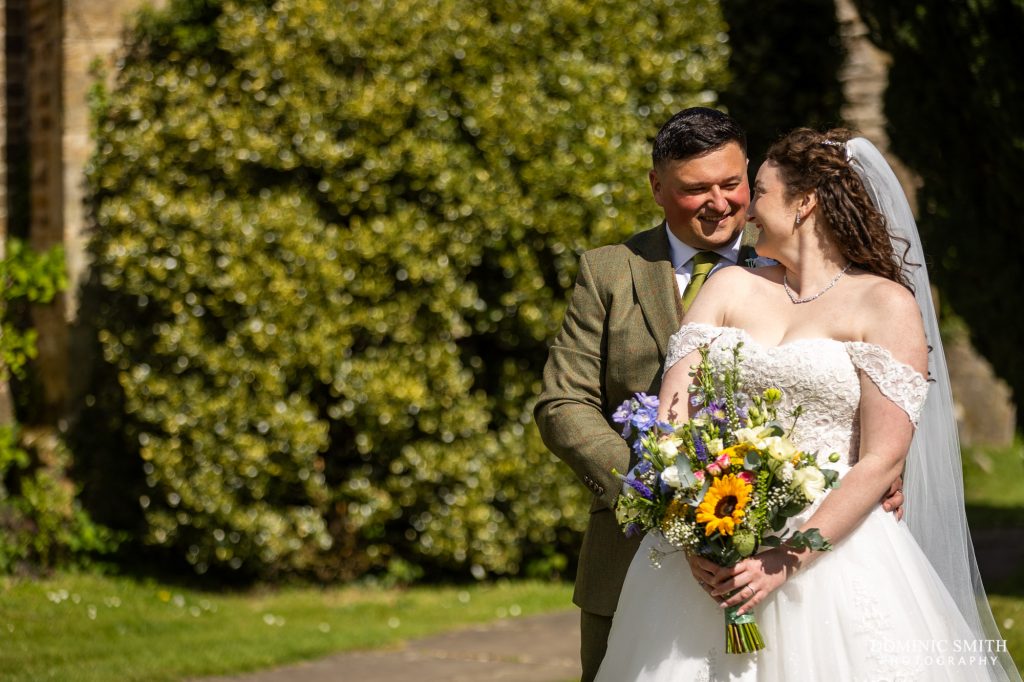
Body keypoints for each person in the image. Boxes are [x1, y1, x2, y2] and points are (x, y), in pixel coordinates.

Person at [592, 129, 1021, 681]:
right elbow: (671, 424)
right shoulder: (726, 286)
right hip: (704, 550)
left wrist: (784, 559)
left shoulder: (884, 304)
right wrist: (694, 536)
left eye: (760, 193)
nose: (747, 212)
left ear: (806, 203)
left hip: (833, 553)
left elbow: (882, 459)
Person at [534, 108, 904, 682]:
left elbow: (874, 382)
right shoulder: (610, 271)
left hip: (804, 550)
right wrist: (662, 498)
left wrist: (876, 464)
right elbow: (563, 404)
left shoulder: (793, 257)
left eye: (733, 183)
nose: (721, 203)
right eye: (695, 189)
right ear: (656, 186)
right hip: (635, 556)